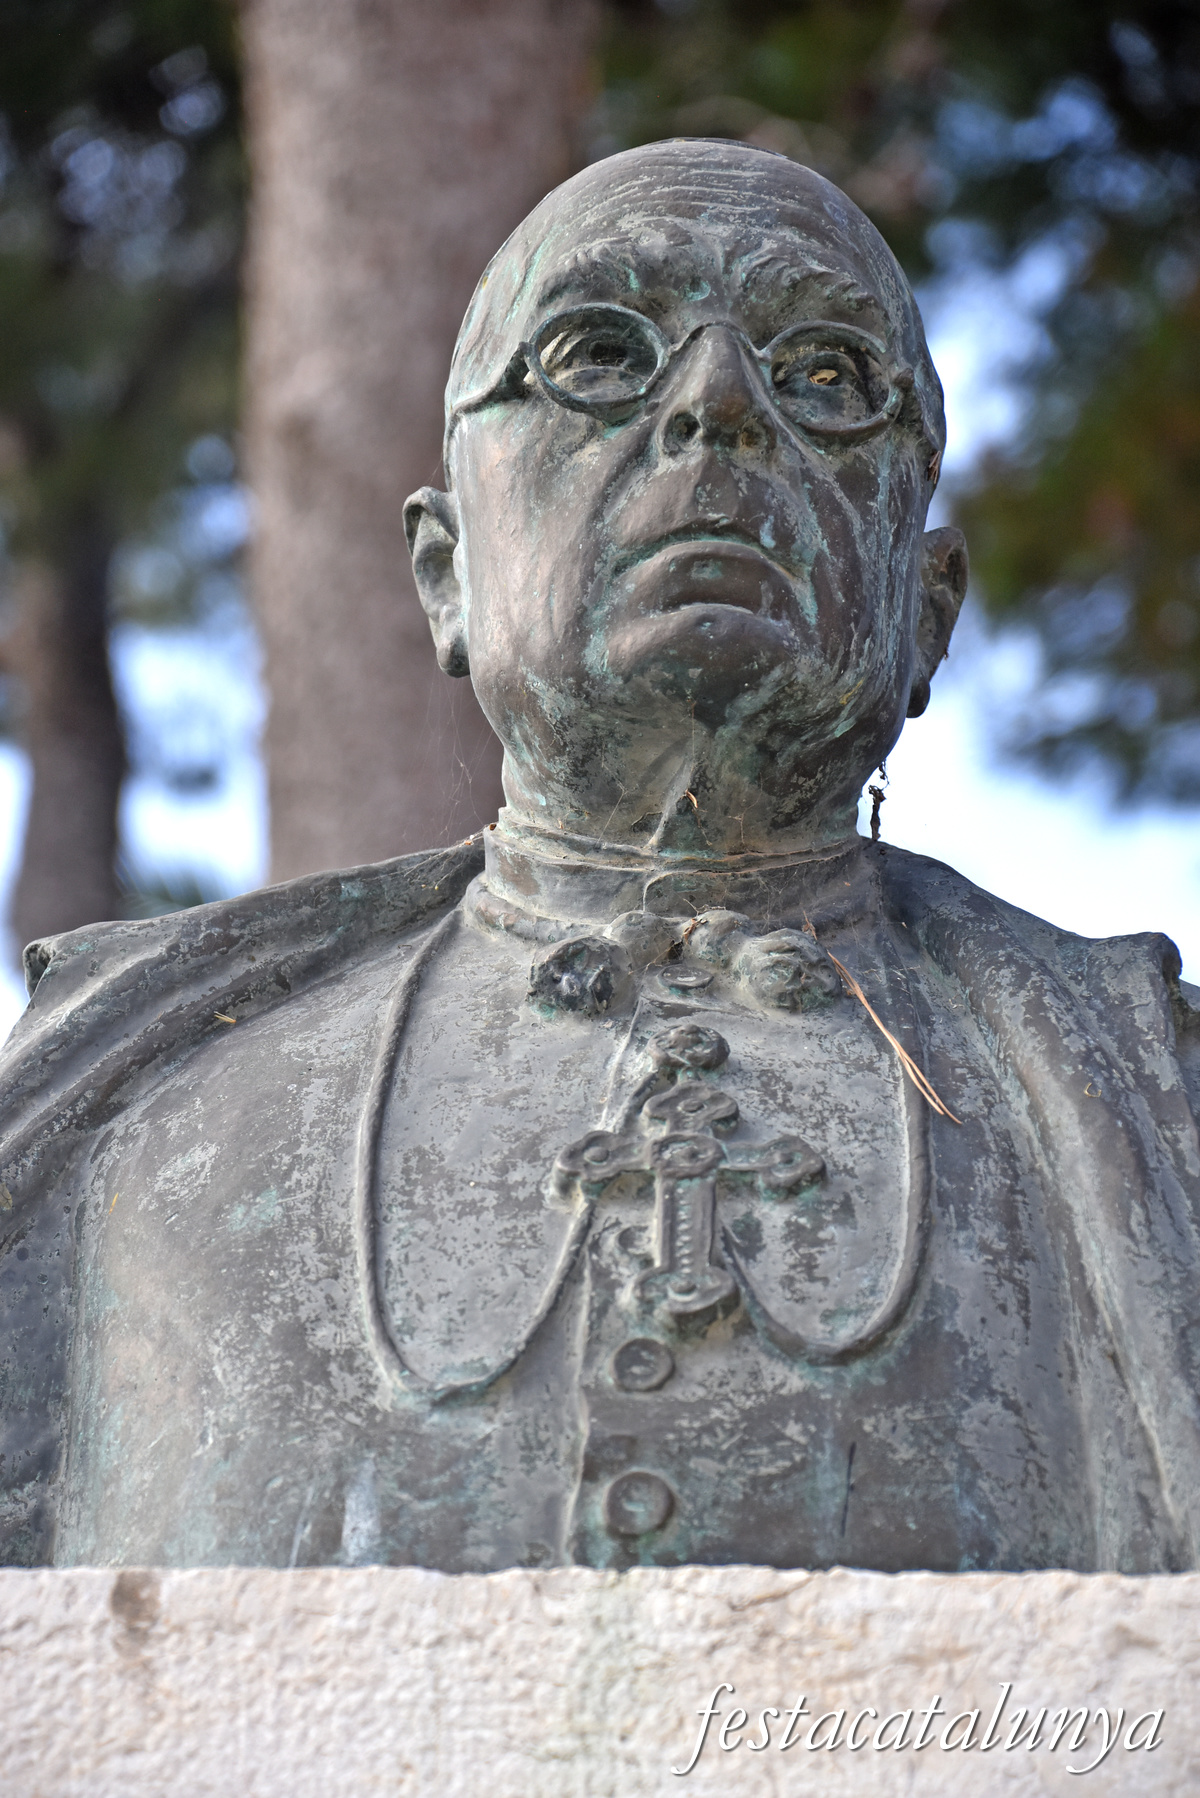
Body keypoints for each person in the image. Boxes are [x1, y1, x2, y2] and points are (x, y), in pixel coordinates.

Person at [2, 140, 1198, 1574]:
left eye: (824, 376)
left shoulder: (1149, 1106)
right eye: (596, 355)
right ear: (447, 572)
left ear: (927, 606)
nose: (716, 407)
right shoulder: (133, 1121)